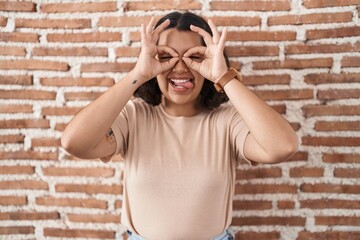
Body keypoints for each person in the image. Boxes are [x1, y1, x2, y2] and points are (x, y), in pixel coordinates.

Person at [61, 11, 298, 240]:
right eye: (166, 56)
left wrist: (223, 77)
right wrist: (138, 74)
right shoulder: (134, 116)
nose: (181, 68)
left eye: (194, 57)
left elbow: (283, 146)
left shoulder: (226, 121)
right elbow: (74, 143)